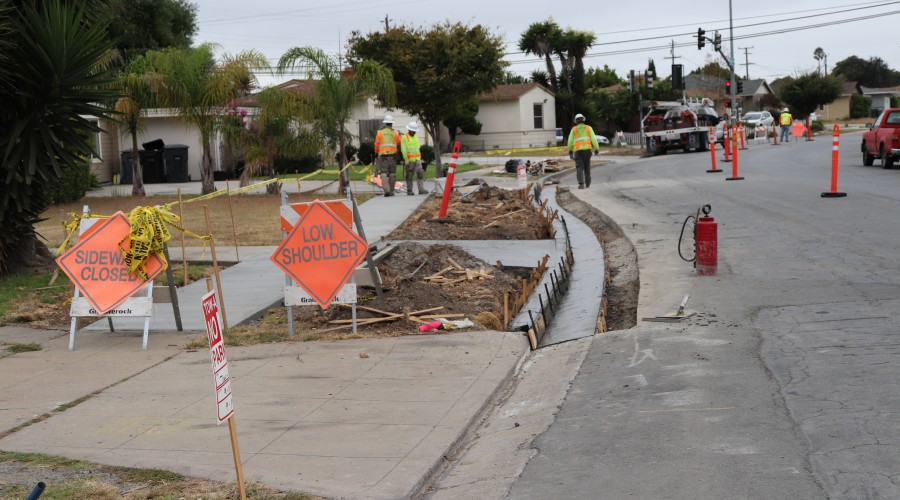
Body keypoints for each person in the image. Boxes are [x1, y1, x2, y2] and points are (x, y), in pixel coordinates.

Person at [566, 113, 600, 189]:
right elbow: (594, 139)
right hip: (588, 151)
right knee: (587, 167)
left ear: (576, 121)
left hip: (578, 152)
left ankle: (581, 184)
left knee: (579, 167)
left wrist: (570, 151)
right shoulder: (589, 128)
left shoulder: (574, 130)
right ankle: (588, 183)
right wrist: (596, 148)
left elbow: (570, 142)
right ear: (583, 120)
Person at [374, 115, 401, 196]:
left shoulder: (380, 133)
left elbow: (376, 144)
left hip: (384, 157)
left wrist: (376, 152)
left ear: (385, 123)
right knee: (392, 173)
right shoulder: (395, 132)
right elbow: (399, 143)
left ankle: (386, 189)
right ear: (392, 124)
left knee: (383, 173)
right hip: (393, 157)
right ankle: (392, 191)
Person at [400, 121, 427, 195]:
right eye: (413, 131)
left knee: (420, 173)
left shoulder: (415, 136)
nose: (414, 132)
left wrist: (420, 158)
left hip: (417, 159)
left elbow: (417, 148)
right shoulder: (405, 138)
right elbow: (403, 149)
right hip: (410, 160)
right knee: (409, 175)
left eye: (415, 131)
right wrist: (406, 159)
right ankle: (409, 190)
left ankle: (421, 189)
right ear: (409, 130)